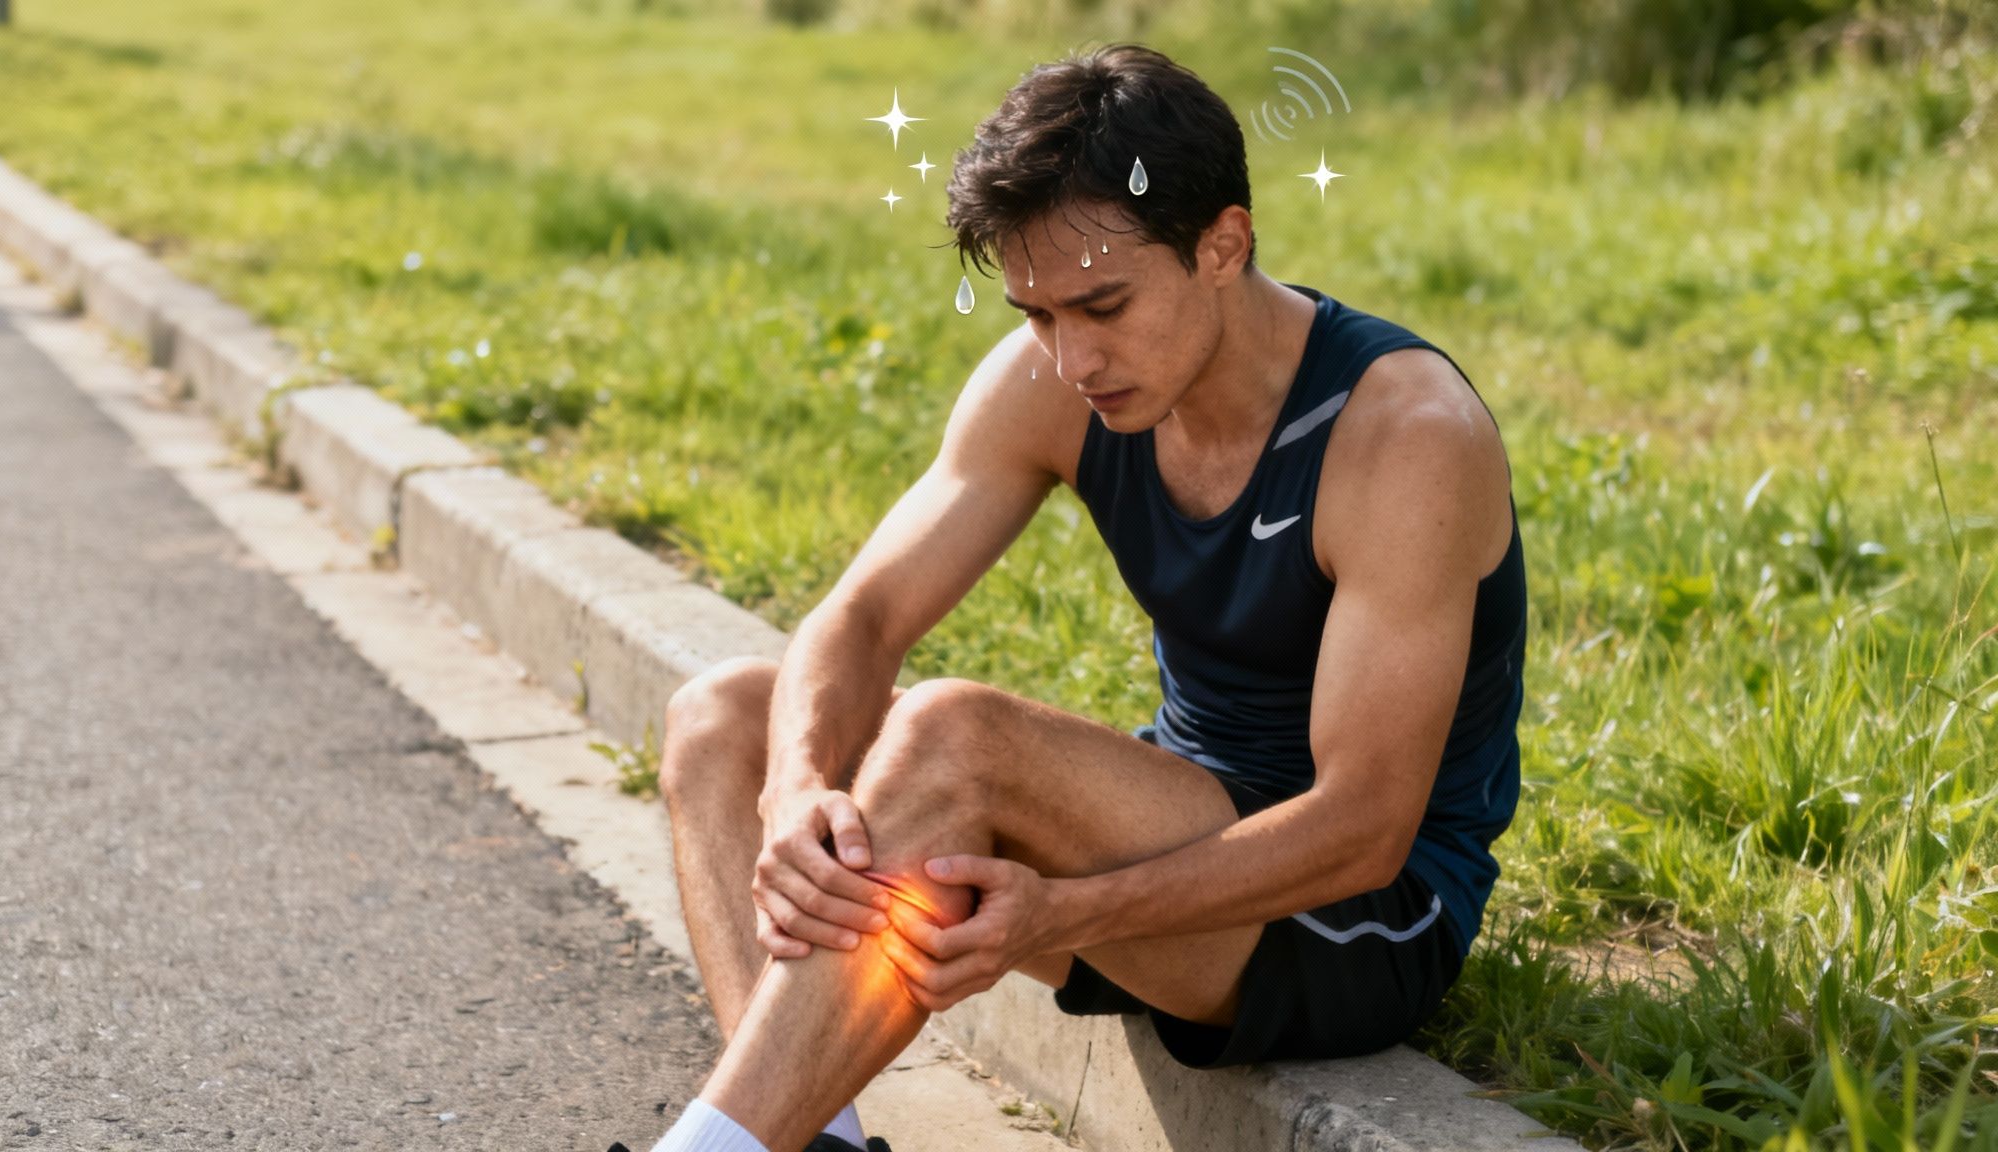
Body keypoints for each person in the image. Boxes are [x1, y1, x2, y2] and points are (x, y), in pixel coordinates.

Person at [617, 42, 1527, 1152]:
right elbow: (856, 619)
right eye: (1037, 314)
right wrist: (794, 795)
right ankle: (811, 1139)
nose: (1071, 356)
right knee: (727, 721)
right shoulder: (1051, 376)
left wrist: (1064, 915)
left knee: (954, 732)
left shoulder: (1402, 438)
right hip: (1166, 825)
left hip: (1352, 921)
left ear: (1221, 245)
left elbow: (1362, 830)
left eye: (1101, 305)